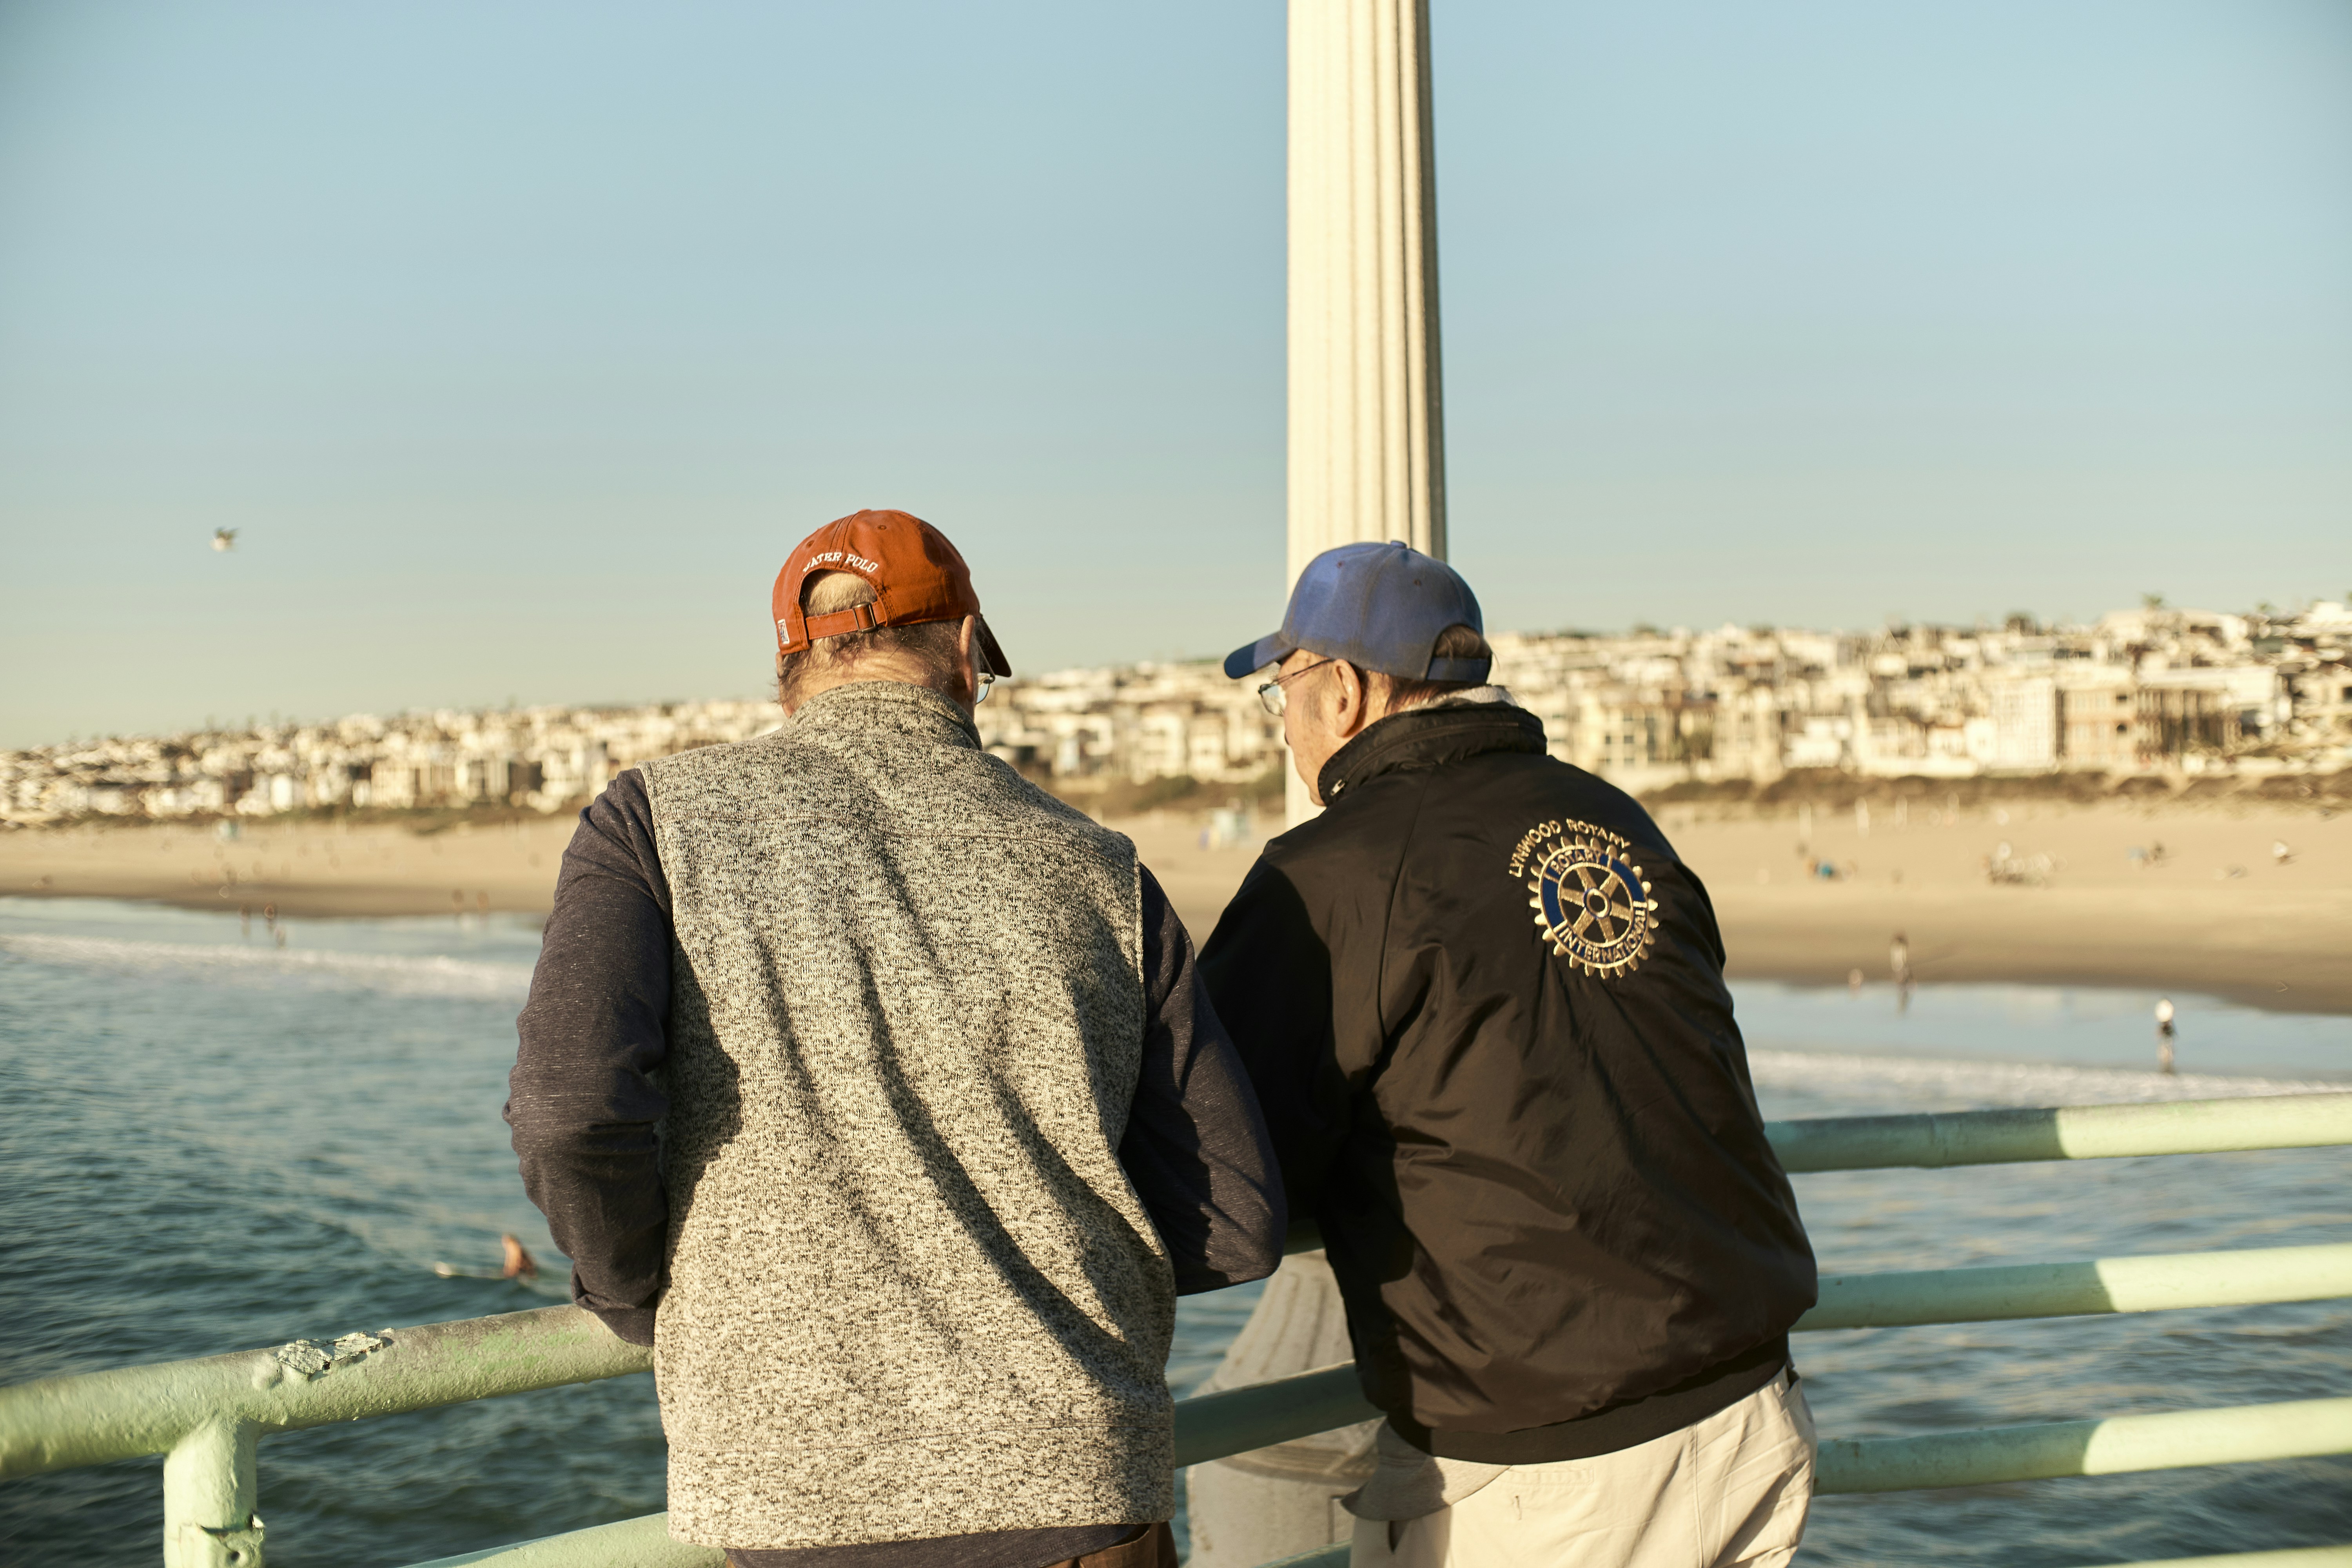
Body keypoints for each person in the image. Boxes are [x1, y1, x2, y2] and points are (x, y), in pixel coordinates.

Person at [507, 510, 1285, 1568]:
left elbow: (569, 1112)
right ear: (968, 652)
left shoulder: (655, 819)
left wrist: (636, 1287)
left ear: (792, 666)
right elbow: (1234, 1216)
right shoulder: (1099, 868)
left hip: (797, 1491)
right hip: (1078, 1484)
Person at [1200, 541, 1819, 1568]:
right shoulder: (1609, 815)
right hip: (1747, 1395)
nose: (1286, 722)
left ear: (1345, 692)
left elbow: (1231, 1144)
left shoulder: (1335, 874)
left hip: (1552, 1456)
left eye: (1284, 690)